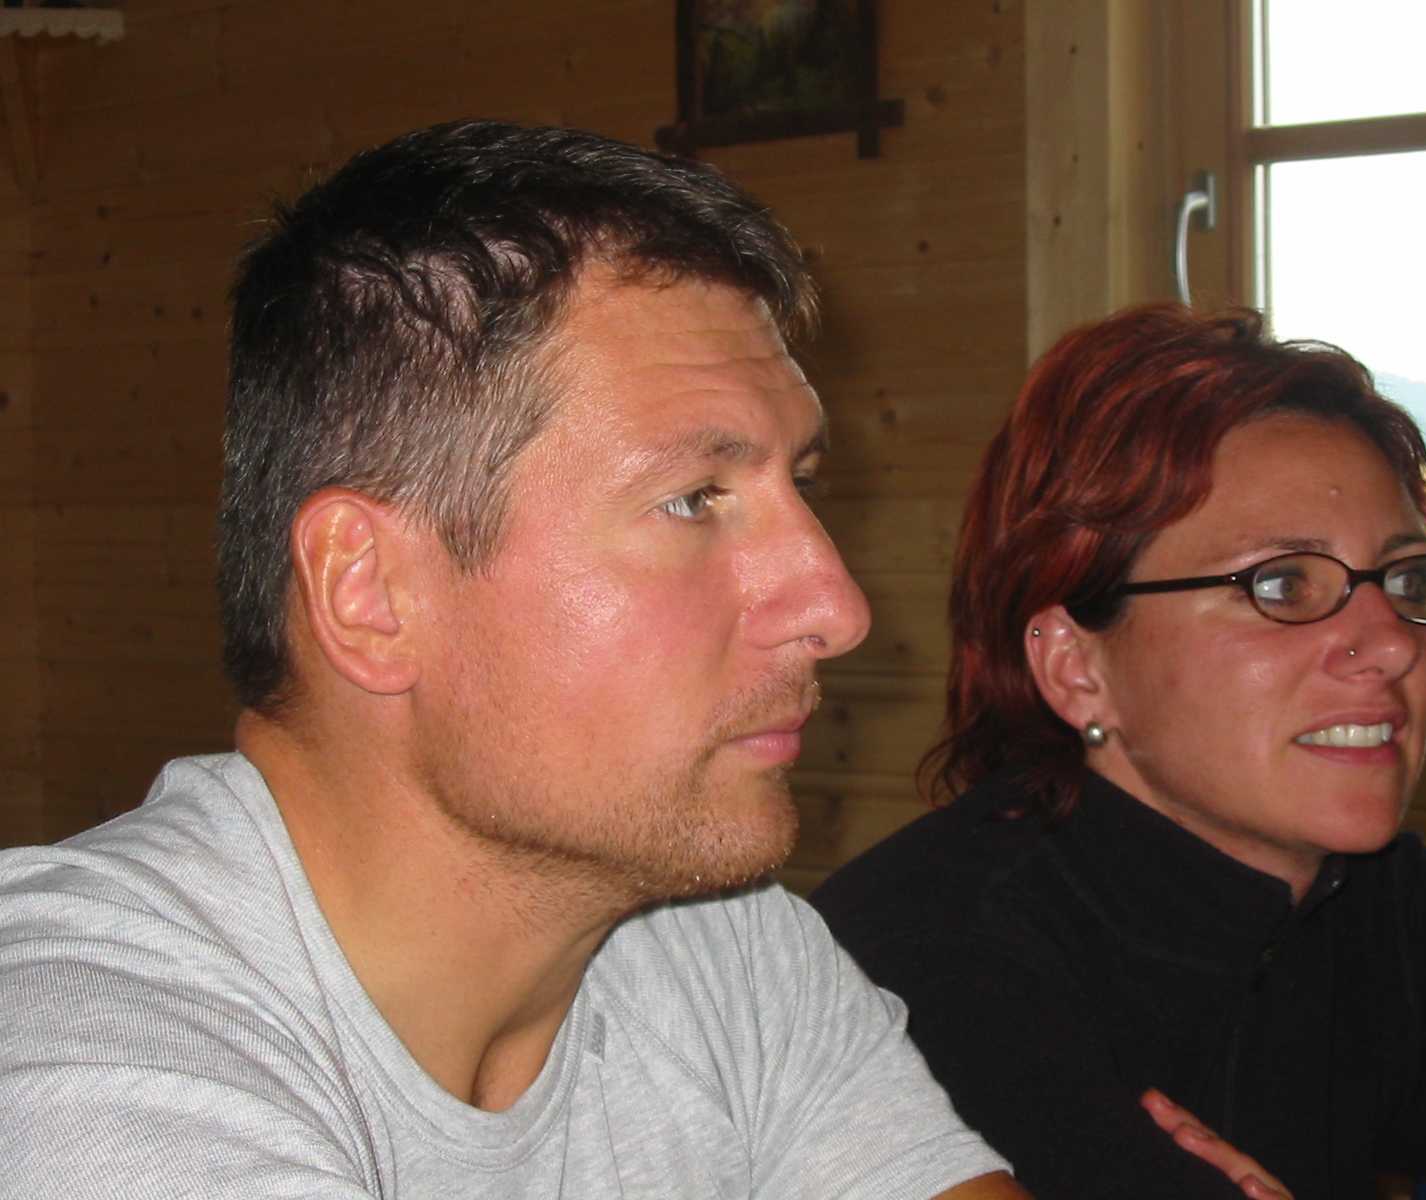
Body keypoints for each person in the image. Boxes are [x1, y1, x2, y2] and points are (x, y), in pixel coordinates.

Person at [0, 121, 1022, 1198]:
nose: (838, 610)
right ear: (370, 593)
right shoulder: (85, 1053)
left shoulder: (717, 945)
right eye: (692, 499)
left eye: (800, 486)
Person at [812, 304, 1426, 1200]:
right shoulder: (924, 972)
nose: (1391, 643)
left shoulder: (1368, 899)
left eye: (1407, 577)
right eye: (1283, 584)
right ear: (1077, 667)